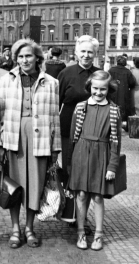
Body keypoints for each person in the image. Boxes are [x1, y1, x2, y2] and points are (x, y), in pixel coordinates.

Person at [0, 38, 61, 249]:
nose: (24, 60)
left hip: (40, 138)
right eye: (20, 56)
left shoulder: (52, 82)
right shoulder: (6, 80)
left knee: (35, 185)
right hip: (13, 137)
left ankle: (30, 228)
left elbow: (54, 117)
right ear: (16, 59)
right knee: (14, 186)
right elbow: (0, 114)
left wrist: (56, 148)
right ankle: (15, 228)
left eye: (28, 56)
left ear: (37, 58)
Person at [68, 70, 121, 251]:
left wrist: (112, 166)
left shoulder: (113, 110)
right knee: (81, 194)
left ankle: (98, 234)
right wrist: (69, 162)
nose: (98, 93)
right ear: (89, 87)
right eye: (95, 89)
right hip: (81, 153)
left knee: (98, 196)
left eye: (103, 90)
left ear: (109, 89)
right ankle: (81, 231)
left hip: (102, 155)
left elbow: (116, 141)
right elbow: (72, 137)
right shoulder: (81, 107)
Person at [58, 35, 99, 187]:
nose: (86, 55)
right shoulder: (66, 73)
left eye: (90, 52)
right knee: (67, 165)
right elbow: (57, 102)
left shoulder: (99, 75)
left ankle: (83, 199)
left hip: (92, 127)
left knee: (88, 166)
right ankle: (68, 203)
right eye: (82, 51)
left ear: (95, 53)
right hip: (68, 125)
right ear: (76, 53)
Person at [109, 55, 136, 124]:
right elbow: (132, 83)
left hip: (113, 93)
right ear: (125, 63)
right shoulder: (128, 71)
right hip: (124, 93)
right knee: (124, 108)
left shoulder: (111, 70)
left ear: (117, 62)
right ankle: (123, 122)